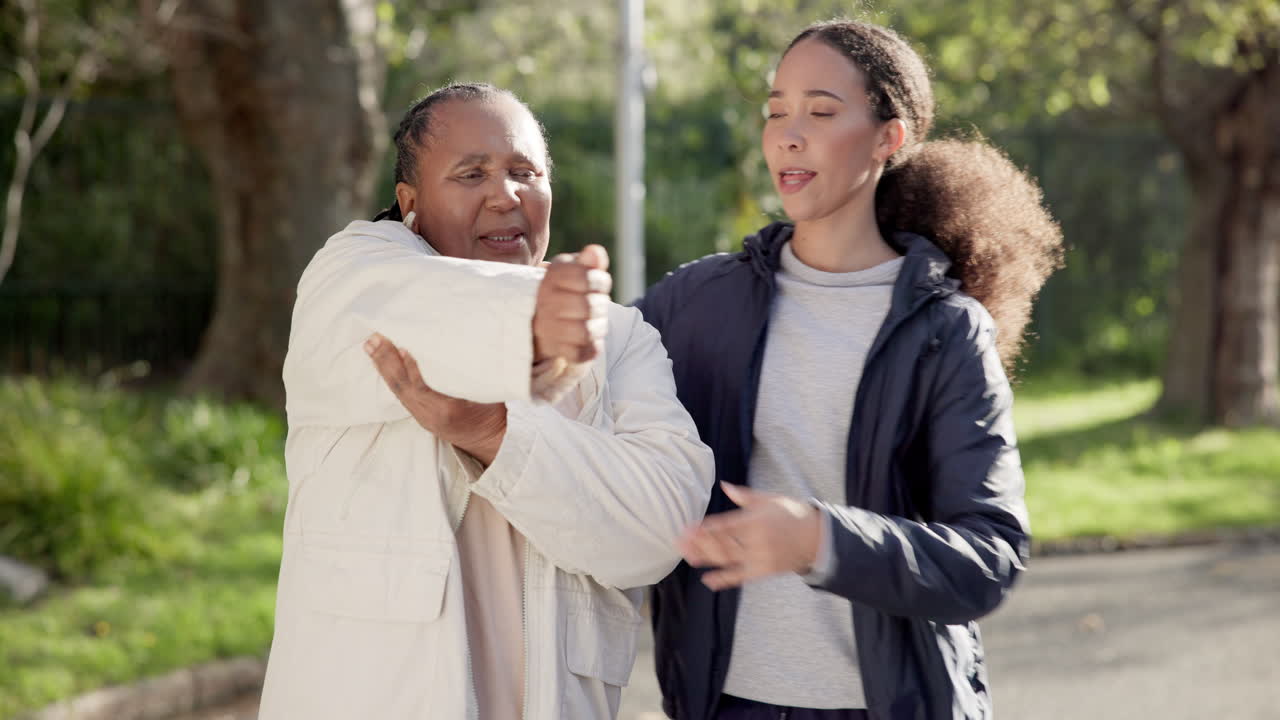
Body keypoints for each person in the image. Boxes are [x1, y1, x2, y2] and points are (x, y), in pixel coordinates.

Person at [636, 19, 1065, 720]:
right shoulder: (697, 301)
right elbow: (587, 389)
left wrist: (818, 540)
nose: (788, 134)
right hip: (725, 703)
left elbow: (988, 556)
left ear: (888, 137)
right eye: (776, 111)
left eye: (821, 112)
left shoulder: (945, 332)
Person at [258, 82, 714, 720]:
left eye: (525, 172)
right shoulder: (349, 279)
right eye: (472, 174)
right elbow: (416, 310)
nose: (506, 195)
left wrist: (490, 432)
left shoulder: (619, 336)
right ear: (410, 203)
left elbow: (663, 528)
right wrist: (533, 324)